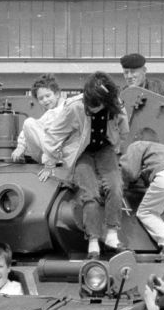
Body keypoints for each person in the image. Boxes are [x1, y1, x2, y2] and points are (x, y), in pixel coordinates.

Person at [38, 72, 130, 258]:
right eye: (91, 104)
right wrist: (50, 162)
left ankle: (112, 234)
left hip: (105, 148)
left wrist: (117, 147)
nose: (94, 108)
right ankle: (93, 241)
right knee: (90, 193)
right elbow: (53, 134)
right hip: (81, 150)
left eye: (98, 105)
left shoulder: (116, 105)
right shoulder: (75, 106)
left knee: (115, 186)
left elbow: (124, 129)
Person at [118, 53, 164, 144]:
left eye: (133, 72)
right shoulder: (122, 95)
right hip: (131, 148)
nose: (129, 76)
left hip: (156, 146)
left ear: (144, 70)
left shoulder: (160, 89)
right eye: (126, 72)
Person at [10, 75, 64, 164]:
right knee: (29, 122)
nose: (45, 100)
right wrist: (21, 146)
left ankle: (53, 157)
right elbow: (30, 127)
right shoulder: (49, 113)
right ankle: (50, 157)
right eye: (41, 98)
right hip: (49, 153)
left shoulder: (66, 108)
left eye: (48, 96)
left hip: (63, 152)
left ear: (57, 94)